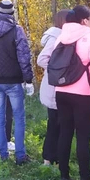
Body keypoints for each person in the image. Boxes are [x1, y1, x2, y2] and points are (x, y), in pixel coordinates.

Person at [52, 5, 90, 180]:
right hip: (83, 94)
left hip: (61, 90)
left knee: (65, 132)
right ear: (84, 20)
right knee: (83, 137)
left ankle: (64, 175)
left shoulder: (60, 37)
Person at [0, 0, 34, 164]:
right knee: (18, 118)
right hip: (13, 81)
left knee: (0, 117)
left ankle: (3, 155)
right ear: (12, 13)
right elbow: (24, 57)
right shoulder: (17, 30)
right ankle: (20, 156)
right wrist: (28, 80)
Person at [37, 9, 70, 165]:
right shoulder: (56, 37)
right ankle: (48, 158)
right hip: (54, 87)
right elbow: (42, 59)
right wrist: (59, 70)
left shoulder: (62, 36)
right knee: (54, 124)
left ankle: (54, 156)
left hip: (58, 86)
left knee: (60, 124)